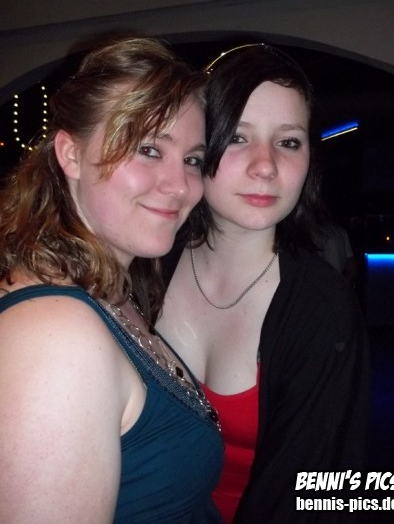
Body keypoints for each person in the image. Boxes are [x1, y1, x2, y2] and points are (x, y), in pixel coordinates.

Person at [0, 36, 223, 523]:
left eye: (192, 159)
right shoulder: (53, 335)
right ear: (71, 154)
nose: (181, 186)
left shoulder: (113, 291)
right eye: (149, 149)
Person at [156, 43, 369, 523]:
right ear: (200, 146)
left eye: (288, 142)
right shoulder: (144, 267)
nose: (266, 165)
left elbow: (323, 496)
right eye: (237, 137)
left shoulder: (322, 312)